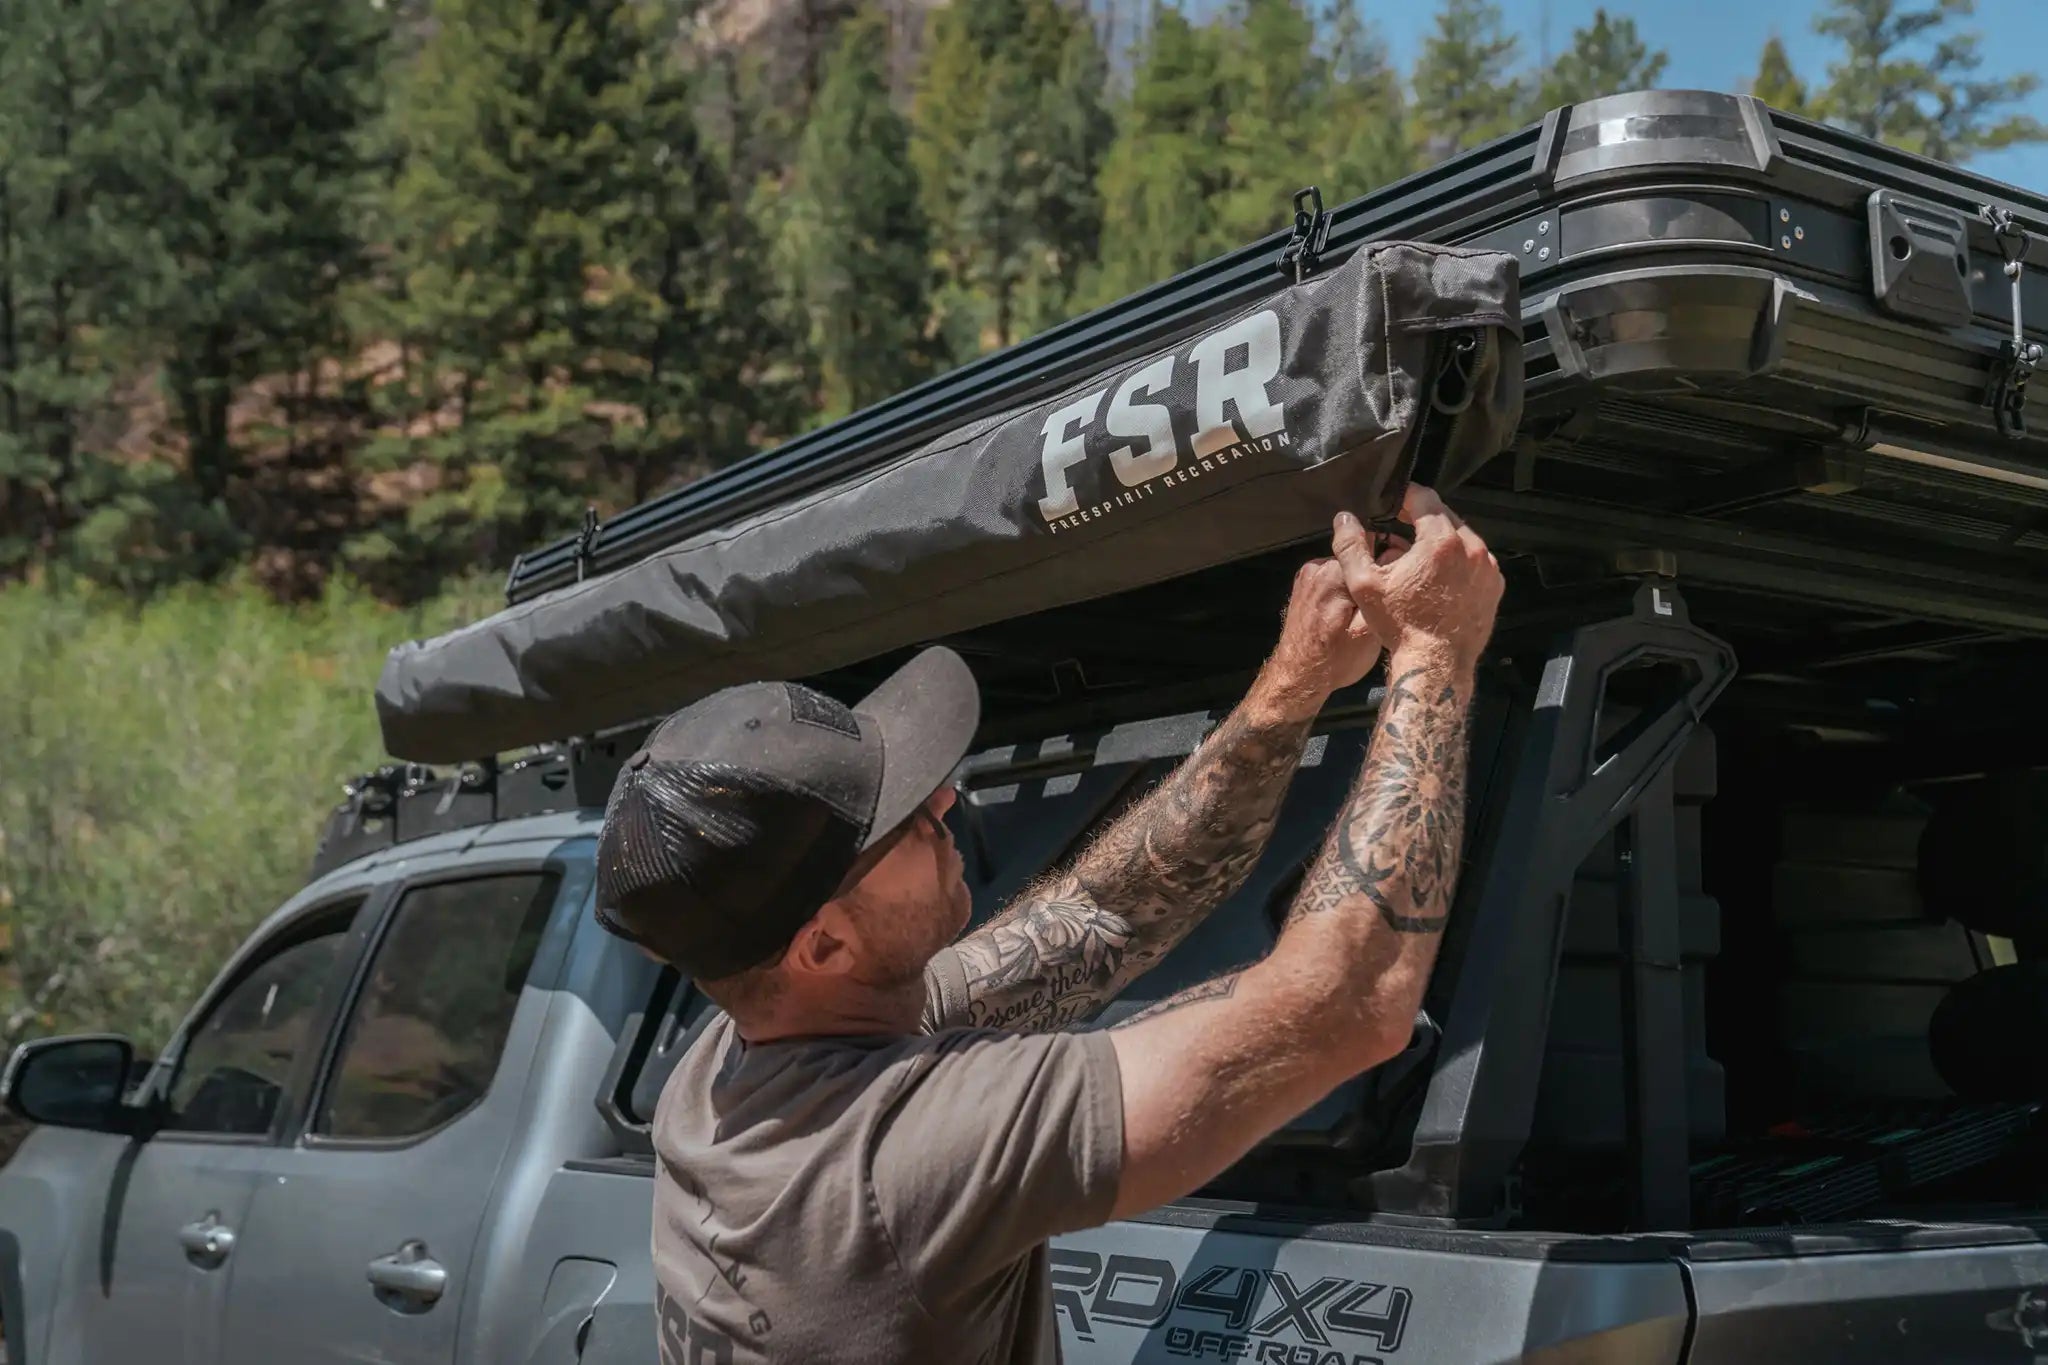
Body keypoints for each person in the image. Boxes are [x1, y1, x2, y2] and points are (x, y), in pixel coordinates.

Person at [593, 484, 1505, 1365]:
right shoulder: (896, 1159)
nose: (946, 798)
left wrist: (1294, 682)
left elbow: (1100, 915)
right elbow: (1344, 1005)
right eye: (902, 820)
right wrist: (1434, 652)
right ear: (823, 944)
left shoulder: (728, 1063)